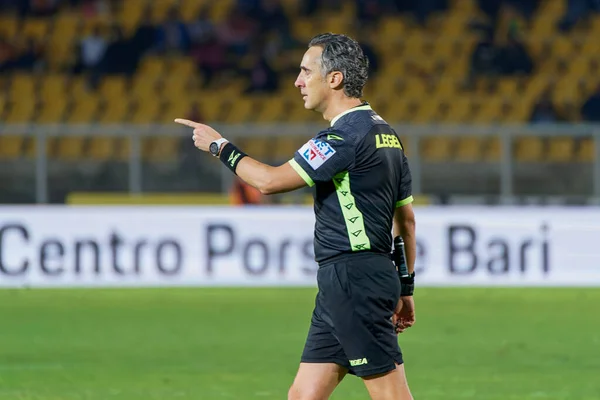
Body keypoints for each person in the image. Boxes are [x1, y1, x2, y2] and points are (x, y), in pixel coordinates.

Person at [175, 32, 417, 400]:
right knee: (303, 395)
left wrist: (219, 146)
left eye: (306, 71)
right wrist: (406, 287)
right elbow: (407, 223)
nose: (297, 81)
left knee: (391, 395)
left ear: (334, 78)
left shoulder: (341, 139)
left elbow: (269, 181)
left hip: (354, 280)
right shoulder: (388, 137)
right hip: (351, 281)